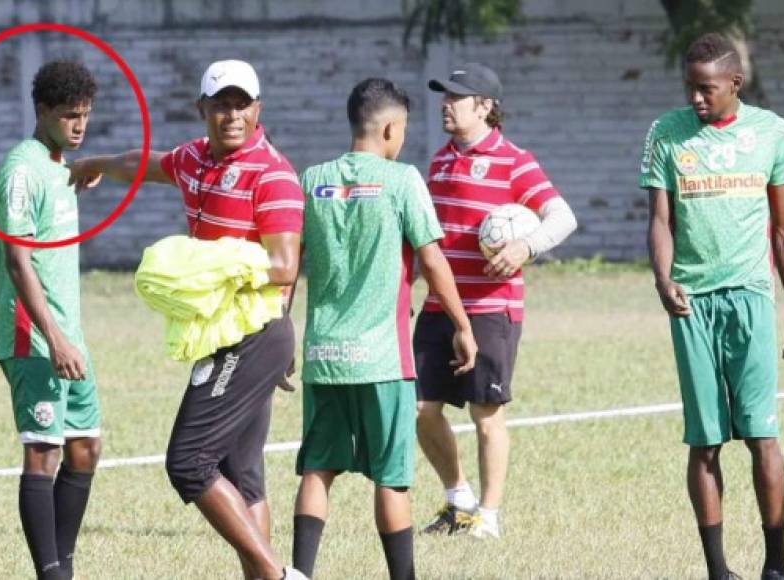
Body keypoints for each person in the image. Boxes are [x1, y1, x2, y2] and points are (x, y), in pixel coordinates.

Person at [68, 60, 306, 580]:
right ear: (203, 109)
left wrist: (213, 266)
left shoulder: (274, 174)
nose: (232, 114)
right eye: (222, 104)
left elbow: (285, 264)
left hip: (250, 335)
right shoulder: (194, 158)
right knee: (244, 478)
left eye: (242, 104)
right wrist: (98, 163)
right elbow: (149, 163)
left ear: (259, 109)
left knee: (189, 462)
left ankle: (276, 574)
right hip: (225, 333)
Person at [291, 78, 478, 580]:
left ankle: (300, 574)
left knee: (318, 468)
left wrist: (281, 329)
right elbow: (433, 261)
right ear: (391, 127)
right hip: (382, 361)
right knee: (392, 479)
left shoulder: (311, 181)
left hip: (324, 355)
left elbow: (289, 263)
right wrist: (462, 324)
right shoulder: (401, 181)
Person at [642, 33, 784, 580]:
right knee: (706, 440)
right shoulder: (666, 133)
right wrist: (664, 279)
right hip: (692, 303)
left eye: (706, 89)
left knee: (763, 435)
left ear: (735, 84)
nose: (696, 98)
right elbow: (661, 219)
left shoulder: (771, 133)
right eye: (689, 87)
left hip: (750, 299)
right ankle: (718, 570)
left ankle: (776, 565)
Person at [415, 63, 577, 538]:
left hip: (490, 308)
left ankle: (488, 516)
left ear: (486, 107)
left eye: (456, 98)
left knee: (486, 414)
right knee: (421, 409)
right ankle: (458, 498)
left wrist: (524, 247)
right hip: (439, 307)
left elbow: (562, 217)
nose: (446, 104)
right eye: (444, 96)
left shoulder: (514, 160)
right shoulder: (439, 161)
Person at [0, 60, 101, 580]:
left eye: (85, 115)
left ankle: (62, 567)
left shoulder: (62, 164)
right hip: (34, 337)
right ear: (42, 112)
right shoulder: (20, 169)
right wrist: (53, 338)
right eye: (69, 116)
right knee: (43, 453)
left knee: (86, 446)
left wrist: (85, 168)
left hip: (69, 336)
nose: (79, 125)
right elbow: (18, 260)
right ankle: (52, 573)